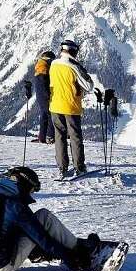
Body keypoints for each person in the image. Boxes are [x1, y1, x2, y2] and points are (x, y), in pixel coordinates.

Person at [0, 166, 101, 271]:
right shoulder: (16, 207)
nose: (31, 194)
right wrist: (71, 259)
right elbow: (43, 239)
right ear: (25, 186)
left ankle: (37, 252)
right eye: (32, 190)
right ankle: (78, 248)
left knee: (16, 227)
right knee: (43, 216)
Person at [49, 40, 94, 178]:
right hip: (70, 106)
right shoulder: (74, 66)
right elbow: (89, 86)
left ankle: (62, 167)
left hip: (55, 105)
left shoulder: (53, 64)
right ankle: (79, 167)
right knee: (75, 137)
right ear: (73, 51)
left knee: (59, 137)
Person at [33, 51, 55, 144]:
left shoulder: (40, 66)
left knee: (44, 115)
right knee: (51, 114)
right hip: (45, 95)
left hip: (40, 96)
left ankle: (42, 137)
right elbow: (44, 84)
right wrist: (49, 95)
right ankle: (49, 136)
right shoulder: (44, 68)